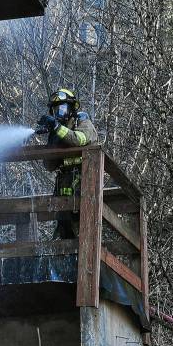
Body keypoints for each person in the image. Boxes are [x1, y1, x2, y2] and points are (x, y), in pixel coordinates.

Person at [38, 88, 98, 239]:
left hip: (85, 191)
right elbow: (49, 165)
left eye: (63, 108)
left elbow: (79, 139)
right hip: (63, 195)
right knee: (64, 238)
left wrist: (57, 128)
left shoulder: (83, 122)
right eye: (56, 110)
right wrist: (53, 139)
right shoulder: (58, 132)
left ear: (72, 109)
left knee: (85, 236)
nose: (59, 113)